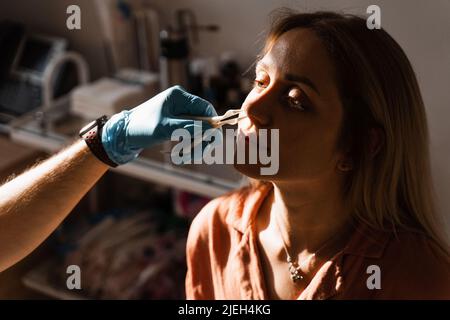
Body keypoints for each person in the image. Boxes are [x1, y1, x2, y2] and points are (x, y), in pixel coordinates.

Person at [185, 11, 450, 299]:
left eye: (295, 100)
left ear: (357, 145)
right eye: (261, 82)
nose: (252, 109)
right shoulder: (215, 231)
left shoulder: (418, 279)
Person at [0, 85, 218, 273]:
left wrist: (105, 143)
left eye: (255, 85)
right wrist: (109, 140)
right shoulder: (214, 223)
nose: (248, 109)